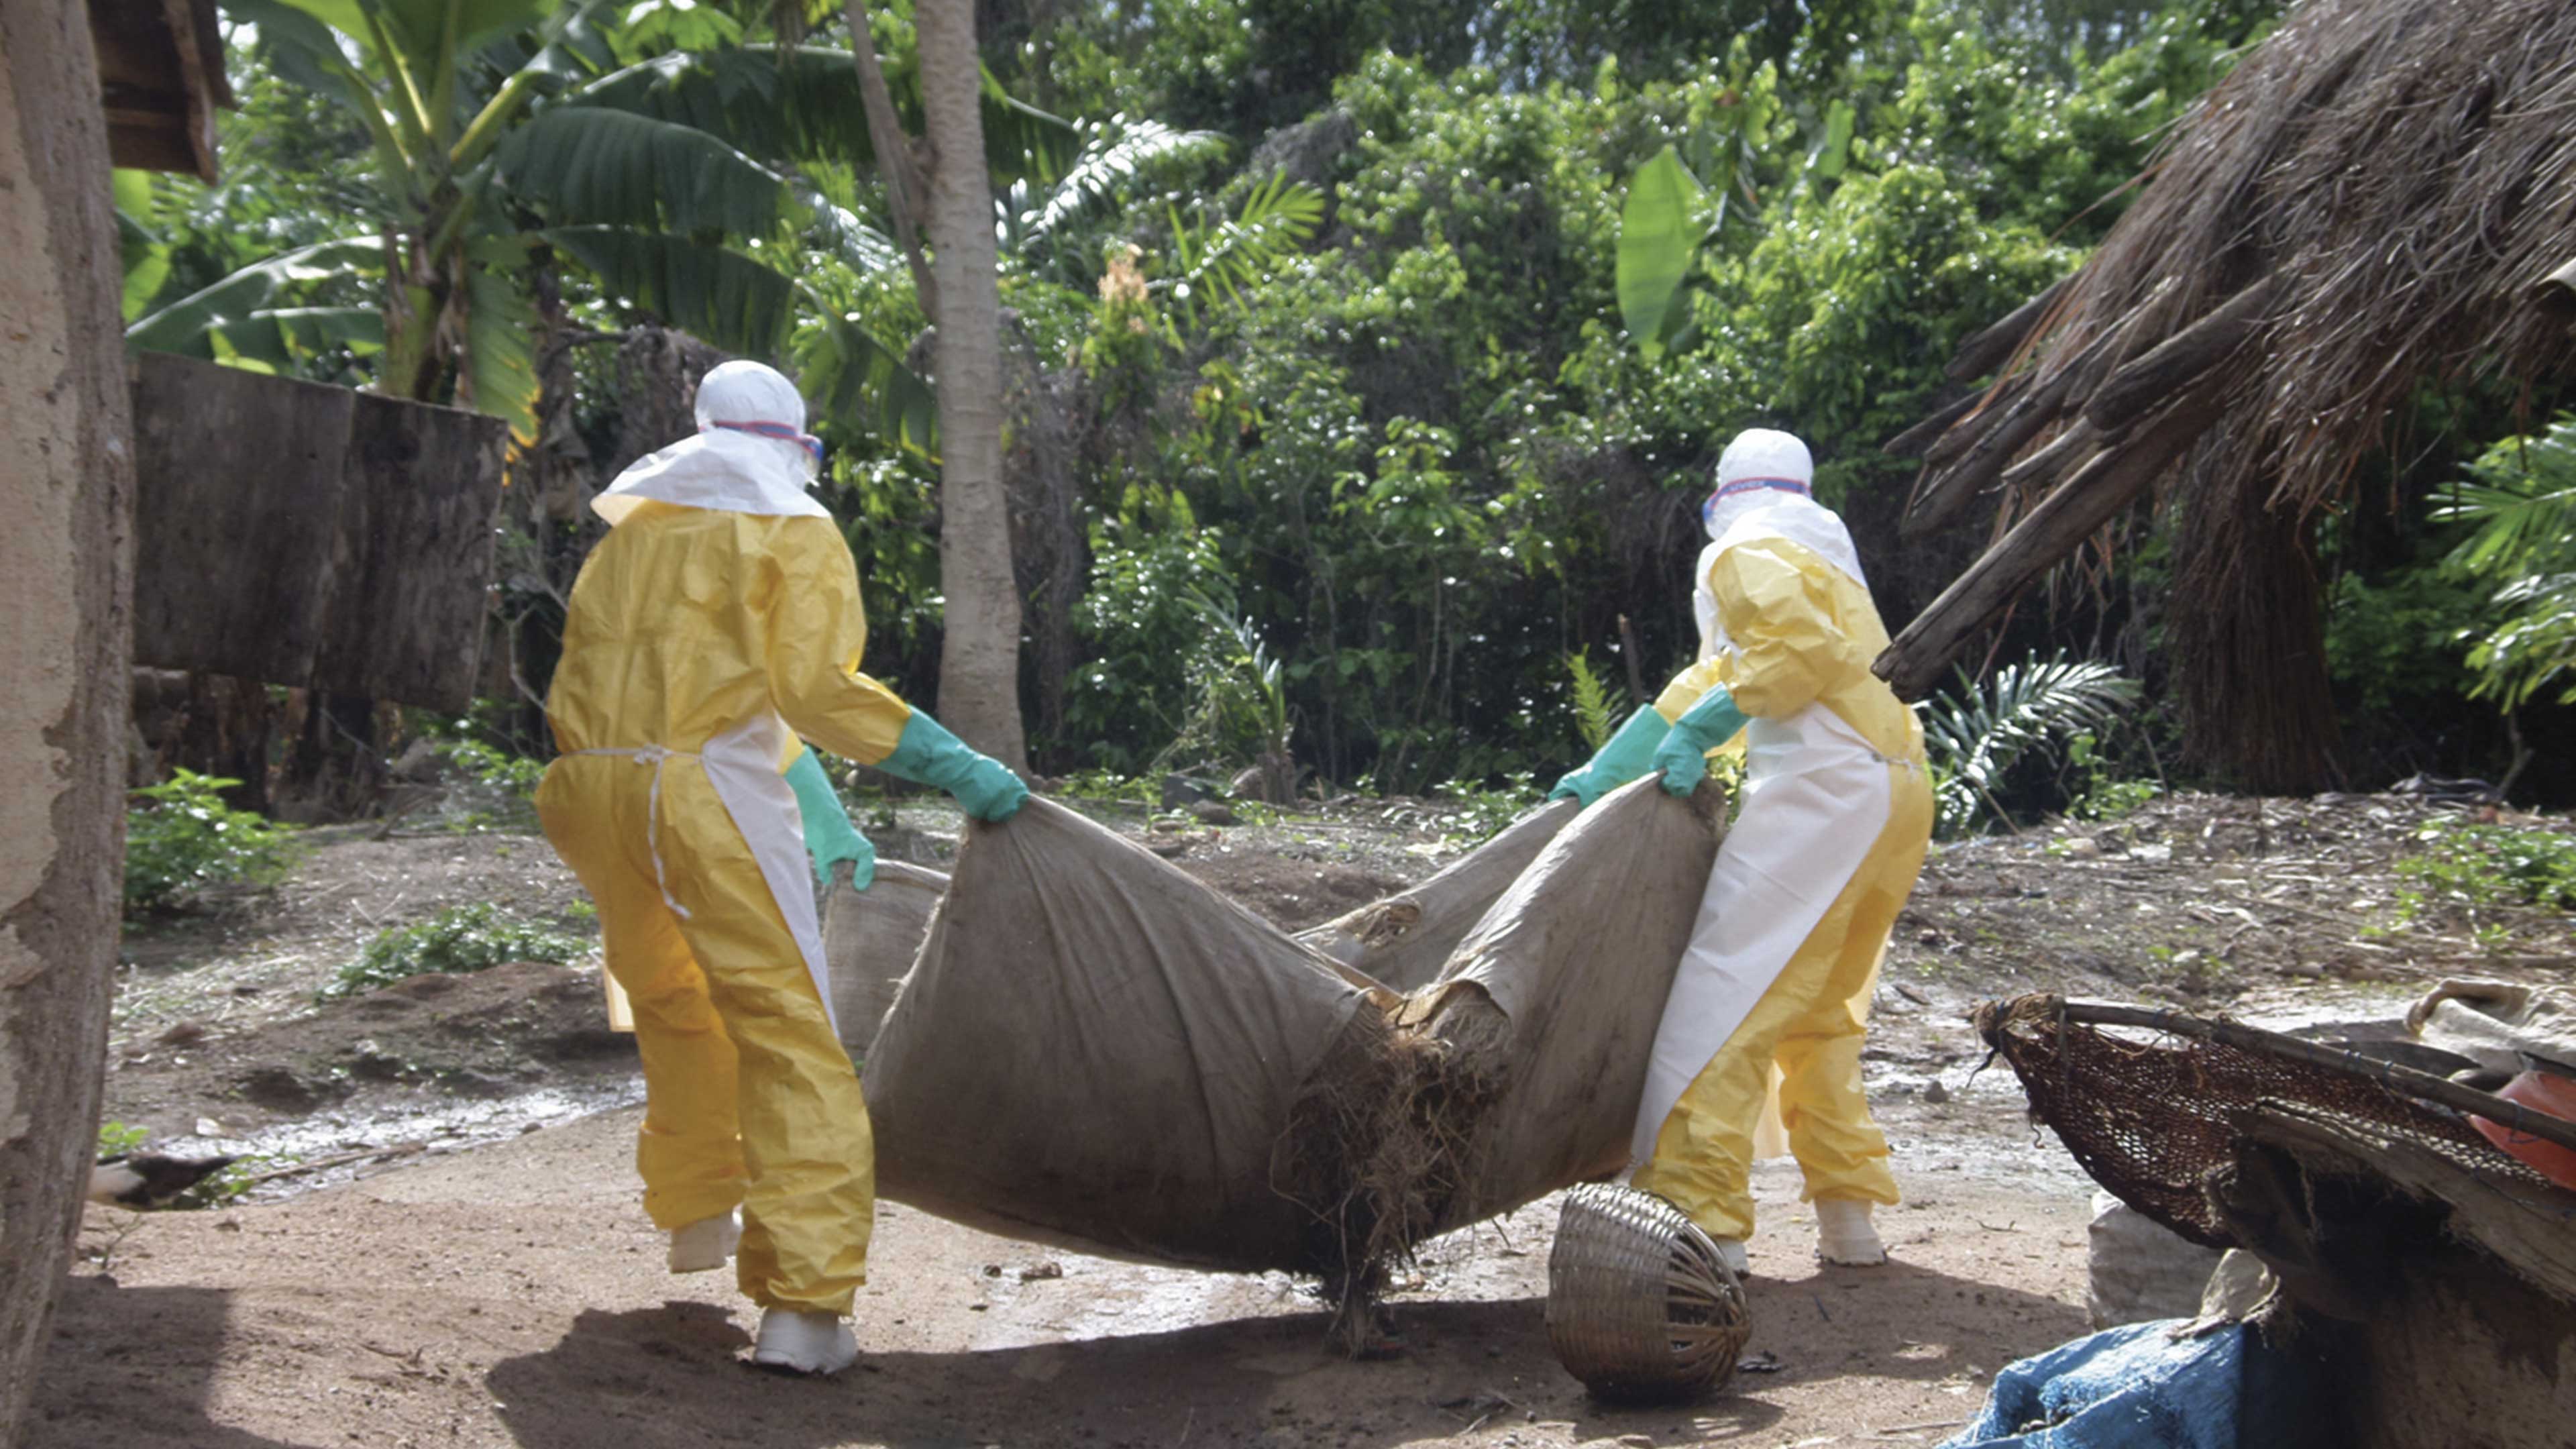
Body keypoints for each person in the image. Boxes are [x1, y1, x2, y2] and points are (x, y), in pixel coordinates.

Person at [535, 360, 1026, 1375]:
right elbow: (813, 690)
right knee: (789, 1030)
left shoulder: (634, 538)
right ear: (793, 446)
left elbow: (696, 700)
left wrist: (823, 816)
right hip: (697, 801)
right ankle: (805, 1312)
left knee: (672, 997)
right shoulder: (789, 526)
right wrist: (952, 765)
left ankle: (698, 1210)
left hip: (591, 793)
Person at [1550, 428, 1931, 1276]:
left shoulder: (1746, 549)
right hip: (1897, 790)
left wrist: (1702, 732)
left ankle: (1704, 1232)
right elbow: (1721, 674)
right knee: (1821, 1014)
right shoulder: (1822, 555)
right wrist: (1611, 765)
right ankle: (1848, 1223)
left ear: (1723, 494)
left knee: (1725, 1002)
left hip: (1826, 795)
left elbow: (1794, 658)